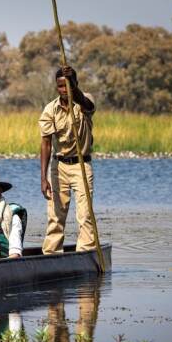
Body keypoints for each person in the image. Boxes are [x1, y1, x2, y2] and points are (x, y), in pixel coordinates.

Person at [39, 66, 97, 254]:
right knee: (56, 215)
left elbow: (87, 105)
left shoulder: (84, 100)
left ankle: (86, 252)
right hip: (59, 167)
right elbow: (46, 144)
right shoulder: (50, 110)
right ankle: (52, 254)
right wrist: (43, 178)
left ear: (75, 85)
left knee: (85, 214)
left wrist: (74, 85)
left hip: (81, 165)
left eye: (68, 85)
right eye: (60, 86)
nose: (64, 90)